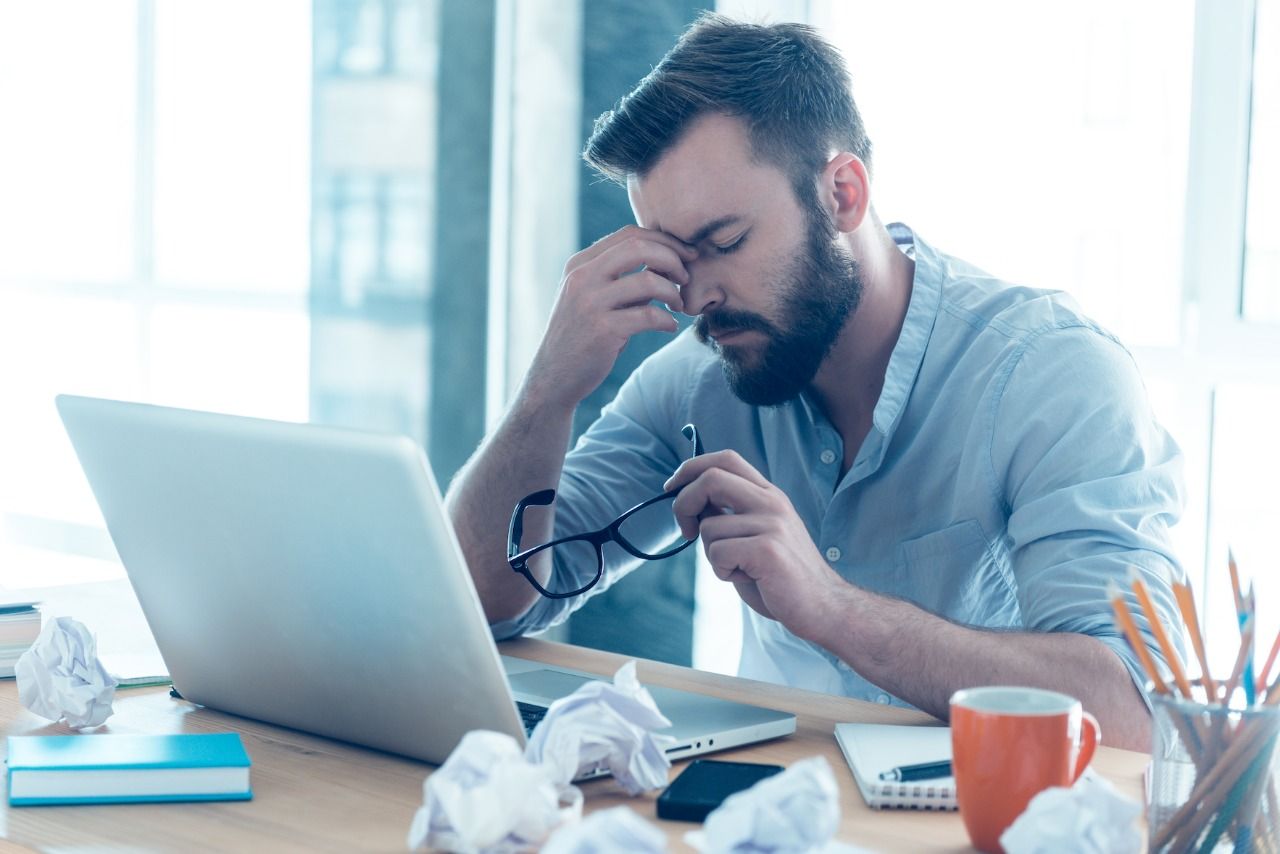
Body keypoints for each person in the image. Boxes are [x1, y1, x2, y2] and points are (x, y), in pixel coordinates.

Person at [444, 14, 1184, 749]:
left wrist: (833, 608)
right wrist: (548, 389)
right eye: (673, 259)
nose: (696, 297)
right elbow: (489, 601)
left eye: (725, 242)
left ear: (843, 194)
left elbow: (1133, 713)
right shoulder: (695, 384)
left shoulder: (1052, 378)